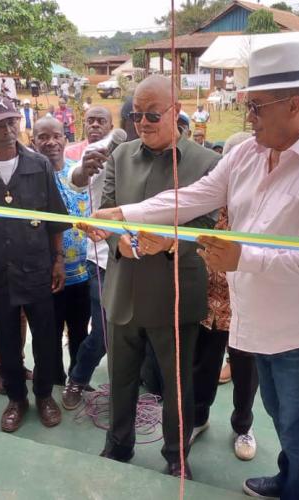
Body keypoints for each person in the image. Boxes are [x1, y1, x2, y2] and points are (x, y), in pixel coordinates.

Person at [87, 42, 299, 498]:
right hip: (264, 322)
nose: (248, 119)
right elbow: (195, 196)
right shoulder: (249, 155)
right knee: (282, 418)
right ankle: (286, 479)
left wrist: (243, 259)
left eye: (256, 108)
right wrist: (127, 214)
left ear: (294, 105)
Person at [87, 75, 220, 480]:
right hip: (123, 289)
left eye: (151, 115)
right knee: (120, 377)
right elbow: (106, 211)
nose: (142, 123)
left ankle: (176, 456)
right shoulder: (120, 155)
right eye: (135, 115)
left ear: (175, 110)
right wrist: (117, 243)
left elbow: (208, 225)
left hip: (175, 291)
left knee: (177, 384)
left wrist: (171, 243)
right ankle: (118, 444)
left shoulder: (206, 162)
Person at [0, 96, 69, 431]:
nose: (8, 129)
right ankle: (16, 399)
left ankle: (44, 395)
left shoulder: (38, 165)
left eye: (12, 121)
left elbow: (54, 218)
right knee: (7, 339)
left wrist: (58, 261)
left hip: (37, 267)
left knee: (45, 337)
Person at [189, 131, 259, 461]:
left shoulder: (260, 205)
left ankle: (243, 426)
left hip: (246, 305)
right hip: (208, 302)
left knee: (245, 371)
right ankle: (199, 418)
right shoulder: (209, 202)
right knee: (203, 365)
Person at [61, 105, 117, 409]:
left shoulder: (136, 150)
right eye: (91, 120)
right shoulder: (96, 152)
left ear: (113, 124)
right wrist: (85, 169)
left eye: (101, 120)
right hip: (102, 260)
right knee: (105, 330)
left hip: (140, 256)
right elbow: (76, 178)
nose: (95, 125)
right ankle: (78, 378)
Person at [31, 117, 91, 385]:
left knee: (80, 331)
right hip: (47, 275)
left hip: (82, 273)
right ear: (33, 142)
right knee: (49, 333)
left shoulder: (78, 174)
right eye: (43, 137)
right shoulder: (29, 179)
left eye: (56, 136)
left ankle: (78, 380)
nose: (51, 142)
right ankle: (54, 381)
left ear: (66, 139)